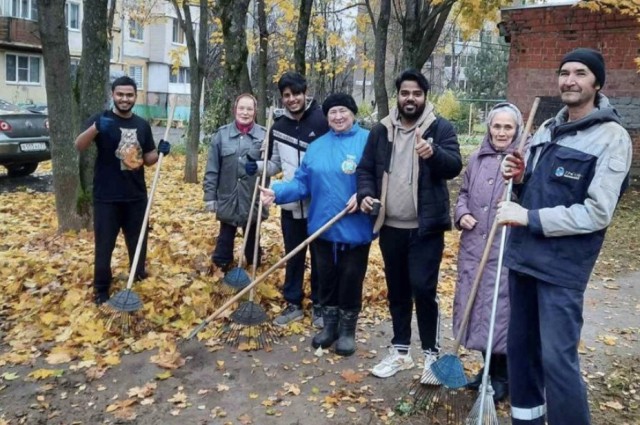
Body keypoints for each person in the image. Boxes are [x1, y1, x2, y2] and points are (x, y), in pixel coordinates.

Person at [498, 48, 631, 424]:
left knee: (557, 360)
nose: (569, 80)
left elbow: (597, 212)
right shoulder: (546, 128)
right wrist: (521, 177)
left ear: (597, 82)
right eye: (564, 73)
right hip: (524, 259)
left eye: (581, 73)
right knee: (521, 352)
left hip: (561, 269)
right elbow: (535, 189)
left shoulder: (612, 138)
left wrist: (528, 216)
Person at [356, 69, 462, 384]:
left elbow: (454, 166)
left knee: (423, 288)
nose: (410, 98)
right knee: (398, 290)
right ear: (398, 96)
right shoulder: (380, 131)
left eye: (416, 93)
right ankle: (400, 351)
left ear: (424, 96)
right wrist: (365, 195)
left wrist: (433, 154)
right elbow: (365, 170)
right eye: (405, 93)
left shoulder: (440, 128)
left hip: (425, 227)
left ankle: (431, 353)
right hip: (390, 226)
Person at [260, 93, 373, 356]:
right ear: (326, 116)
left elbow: (379, 176)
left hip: (355, 228)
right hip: (322, 226)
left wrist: (365, 193)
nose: (338, 116)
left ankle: (347, 332)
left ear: (353, 113)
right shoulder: (317, 146)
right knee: (327, 280)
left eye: (343, 111)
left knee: (351, 279)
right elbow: (302, 183)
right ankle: (329, 328)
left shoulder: (367, 141)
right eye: (332, 112)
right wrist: (277, 192)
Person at [74, 76, 171, 305]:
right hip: (107, 196)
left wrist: (161, 152)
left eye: (129, 95)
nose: (124, 99)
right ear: (113, 94)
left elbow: (147, 159)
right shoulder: (101, 119)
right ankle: (101, 289)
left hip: (136, 196)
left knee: (138, 242)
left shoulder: (141, 125)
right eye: (120, 94)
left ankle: (137, 278)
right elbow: (79, 145)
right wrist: (96, 129)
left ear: (135, 97)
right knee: (104, 244)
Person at [453, 103, 525, 402]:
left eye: (508, 127)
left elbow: (529, 194)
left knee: (501, 311)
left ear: (517, 130)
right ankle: (485, 371)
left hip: (506, 247)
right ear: (489, 128)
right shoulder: (477, 158)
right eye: (497, 126)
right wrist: (461, 213)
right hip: (475, 245)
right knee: (476, 308)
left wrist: (518, 189)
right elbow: (464, 193)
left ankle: (502, 376)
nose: (501, 132)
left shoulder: (523, 160)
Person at [248, 72, 329, 328]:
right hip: (291, 204)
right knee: (293, 255)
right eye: (286, 95)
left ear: (305, 92)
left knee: (320, 257)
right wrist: (258, 167)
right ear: (281, 98)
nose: (292, 99)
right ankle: (293, 303)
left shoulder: (323, 121)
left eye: (296, 93)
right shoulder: (278, 127)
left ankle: (320, 306)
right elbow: (274, 164)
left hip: (319, 205)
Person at [203, 94, 267, 271]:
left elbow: (271, 166)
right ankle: (221, 266)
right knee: (225, 236)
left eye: (249, 109)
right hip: (228, 196)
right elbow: (212, 168)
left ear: (255, 112)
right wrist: (210, 196)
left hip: (252, 197)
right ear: (235, 110)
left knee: (252, 237)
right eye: (241, 108)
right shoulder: (222, 135)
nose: (245, 112)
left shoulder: (264, 136)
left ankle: (254, 265)